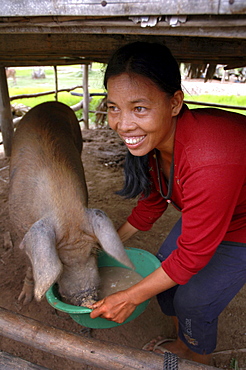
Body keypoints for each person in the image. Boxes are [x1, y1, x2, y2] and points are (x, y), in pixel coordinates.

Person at [89, 41, 246, 365]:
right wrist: (106, 247)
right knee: (162, 273)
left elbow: (191, 257)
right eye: (114, 107)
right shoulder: (156, 145)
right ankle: (183, 340)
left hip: (242, 223)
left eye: (139, 108)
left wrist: (129, 298)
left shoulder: (208, 157)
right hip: (213, 213)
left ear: (175, 103)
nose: (123, 124)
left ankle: (196, 357)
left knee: (194, 300)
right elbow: (151, 205)